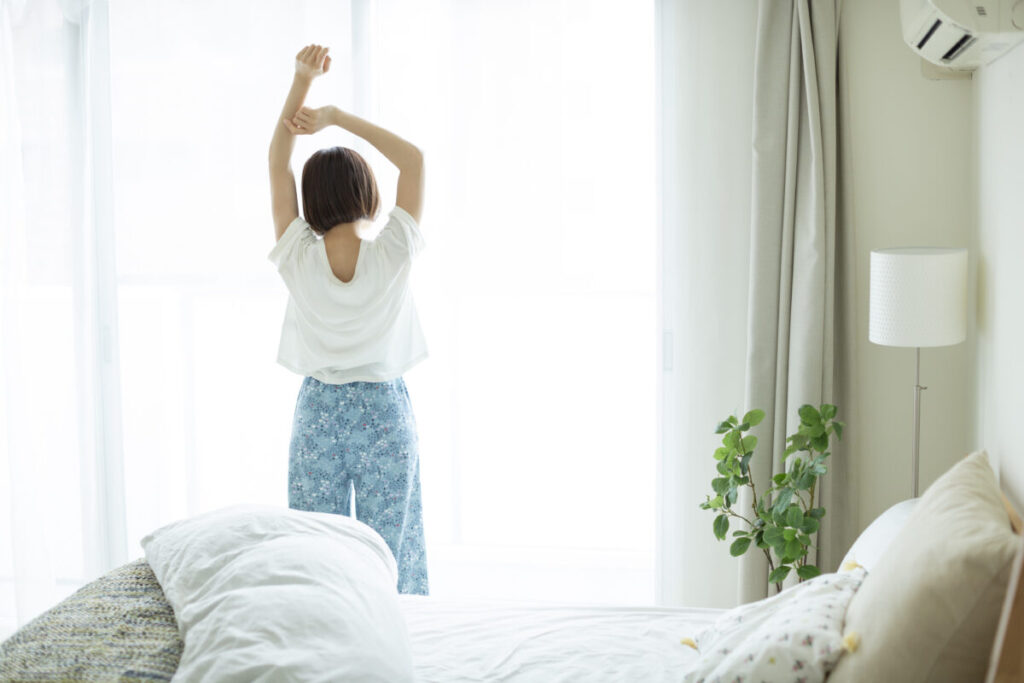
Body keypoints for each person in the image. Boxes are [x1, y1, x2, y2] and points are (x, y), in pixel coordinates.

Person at [266, 44, 428, 594]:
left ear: (311, 198)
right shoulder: (393, 252)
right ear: (367, 190)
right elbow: (414, 160)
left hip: (319, 412)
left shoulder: (298, 256)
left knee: (318, 555)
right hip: (383, 408)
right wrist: (336, 119)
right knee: (393, 554)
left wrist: (301, 82)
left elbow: (276, 162)